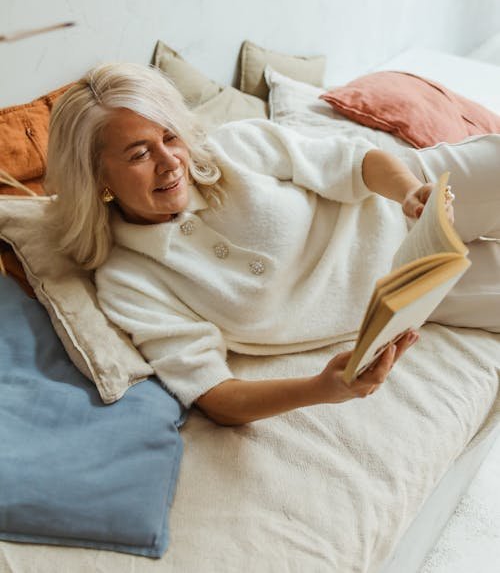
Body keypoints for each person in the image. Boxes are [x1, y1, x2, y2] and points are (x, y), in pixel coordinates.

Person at [44, 62, 500, 426]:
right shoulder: (129, 282)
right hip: (414, 288)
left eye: (170, 138)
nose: (170, 163)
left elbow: (354, 161)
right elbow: (215, 395)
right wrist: (325, 388)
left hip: (412, 197)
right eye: (139, 154)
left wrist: (409, 192)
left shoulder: (233, 148)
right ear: (97, 177)